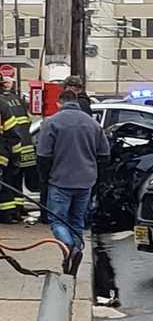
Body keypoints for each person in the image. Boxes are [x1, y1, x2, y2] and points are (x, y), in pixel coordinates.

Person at [37, 90, 110, 261]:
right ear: (76, 102)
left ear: (59, 103)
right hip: (85, 182)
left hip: (60, 181)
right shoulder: (92, 124)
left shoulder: (52, 123)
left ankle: (70, 249)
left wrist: (45, 178)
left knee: (57, 221)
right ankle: (76, 251)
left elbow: (43, 156)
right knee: (77, 221)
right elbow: (104, 155)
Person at [0, 76, 36, 219]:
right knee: (13, 181)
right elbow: (17, 130)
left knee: (6, 184)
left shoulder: (3, 104)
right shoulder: (14, 101)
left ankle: (8, 214)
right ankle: (16, 211)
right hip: (16, 149)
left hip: (8, 151)